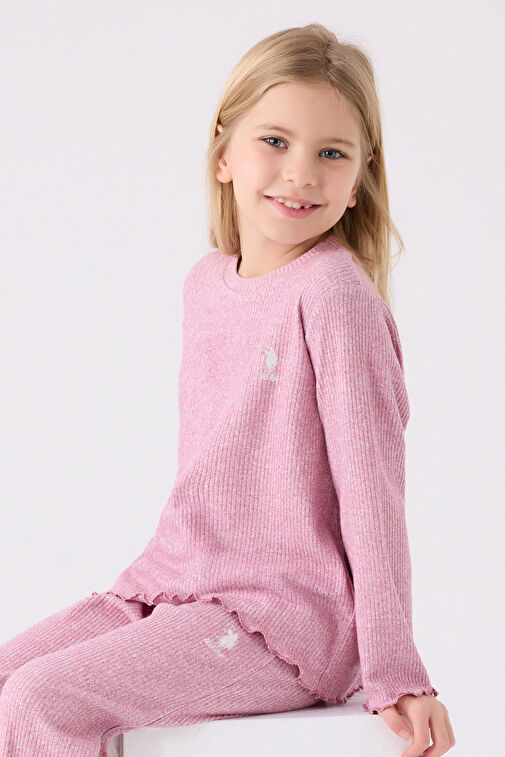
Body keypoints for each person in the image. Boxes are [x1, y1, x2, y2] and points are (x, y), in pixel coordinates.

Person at [0, 22, 455, 757]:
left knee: (39, 700)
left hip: (284, 619)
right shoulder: (205, 284)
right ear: (223, 153)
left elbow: (373, 495)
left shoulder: (334, 295)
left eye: (331, 153)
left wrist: (395, 669)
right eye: (274, 141)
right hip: (172, 583)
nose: (300, 173)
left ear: (360, 177)